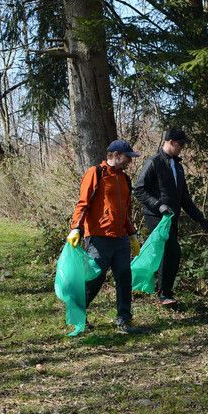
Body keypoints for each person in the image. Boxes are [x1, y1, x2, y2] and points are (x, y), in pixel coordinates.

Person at [68, 139, 142, 333]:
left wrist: (132, 234)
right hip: (98, 238)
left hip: (120, 238)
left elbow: (126, 210)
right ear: (116, 155)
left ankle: (124, 319)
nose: (130, 162)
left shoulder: (125, 179)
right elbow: (83, 203)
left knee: (124, 279)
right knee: (94, 279)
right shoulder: (96, 173)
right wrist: (76, 228)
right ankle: (77, 317)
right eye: (127, 157)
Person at [133, 127, 208, 307]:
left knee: (169, 253)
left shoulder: (178, 166)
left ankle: (163, 291)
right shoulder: (153, 162)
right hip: (156, 216)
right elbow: (139, 190)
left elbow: (184, 199)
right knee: (171, 251)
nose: (183, 147)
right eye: (181, 144)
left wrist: (200, 219)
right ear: (171, 142)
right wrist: (159, 205)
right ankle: (164, 294)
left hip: (172, 216)